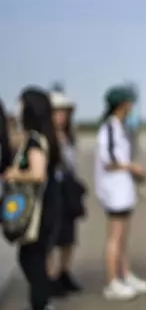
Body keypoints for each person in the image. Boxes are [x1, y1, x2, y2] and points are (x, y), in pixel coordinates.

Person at [3, 88, 62, 310]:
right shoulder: (40, 136)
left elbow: (38, 174)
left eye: (20, 104)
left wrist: (14, 173)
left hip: (39, 209)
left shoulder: (36, 140)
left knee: (31, 258)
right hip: (46, 207)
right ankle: (40, 305)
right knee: (33, 257)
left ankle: (41, 308)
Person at [94, 86, 146, 301]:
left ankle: (125, 274)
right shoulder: (108, 127)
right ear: (123, 104)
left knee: (122, 237)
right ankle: (111, 282)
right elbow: (108, 161)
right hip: (113, 191)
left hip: (123, 190)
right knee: (114, 237)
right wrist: (132, 168)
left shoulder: (119, 126)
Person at [48, 91, 84, 296]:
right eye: (57, 112)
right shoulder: (47, 137)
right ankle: (51, 277)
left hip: (68, 189)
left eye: (64, 113)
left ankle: (64, 273)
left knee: (69, 236)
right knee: (53, 236)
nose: (61, 117)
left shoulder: (69, 135)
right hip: (54, 190)